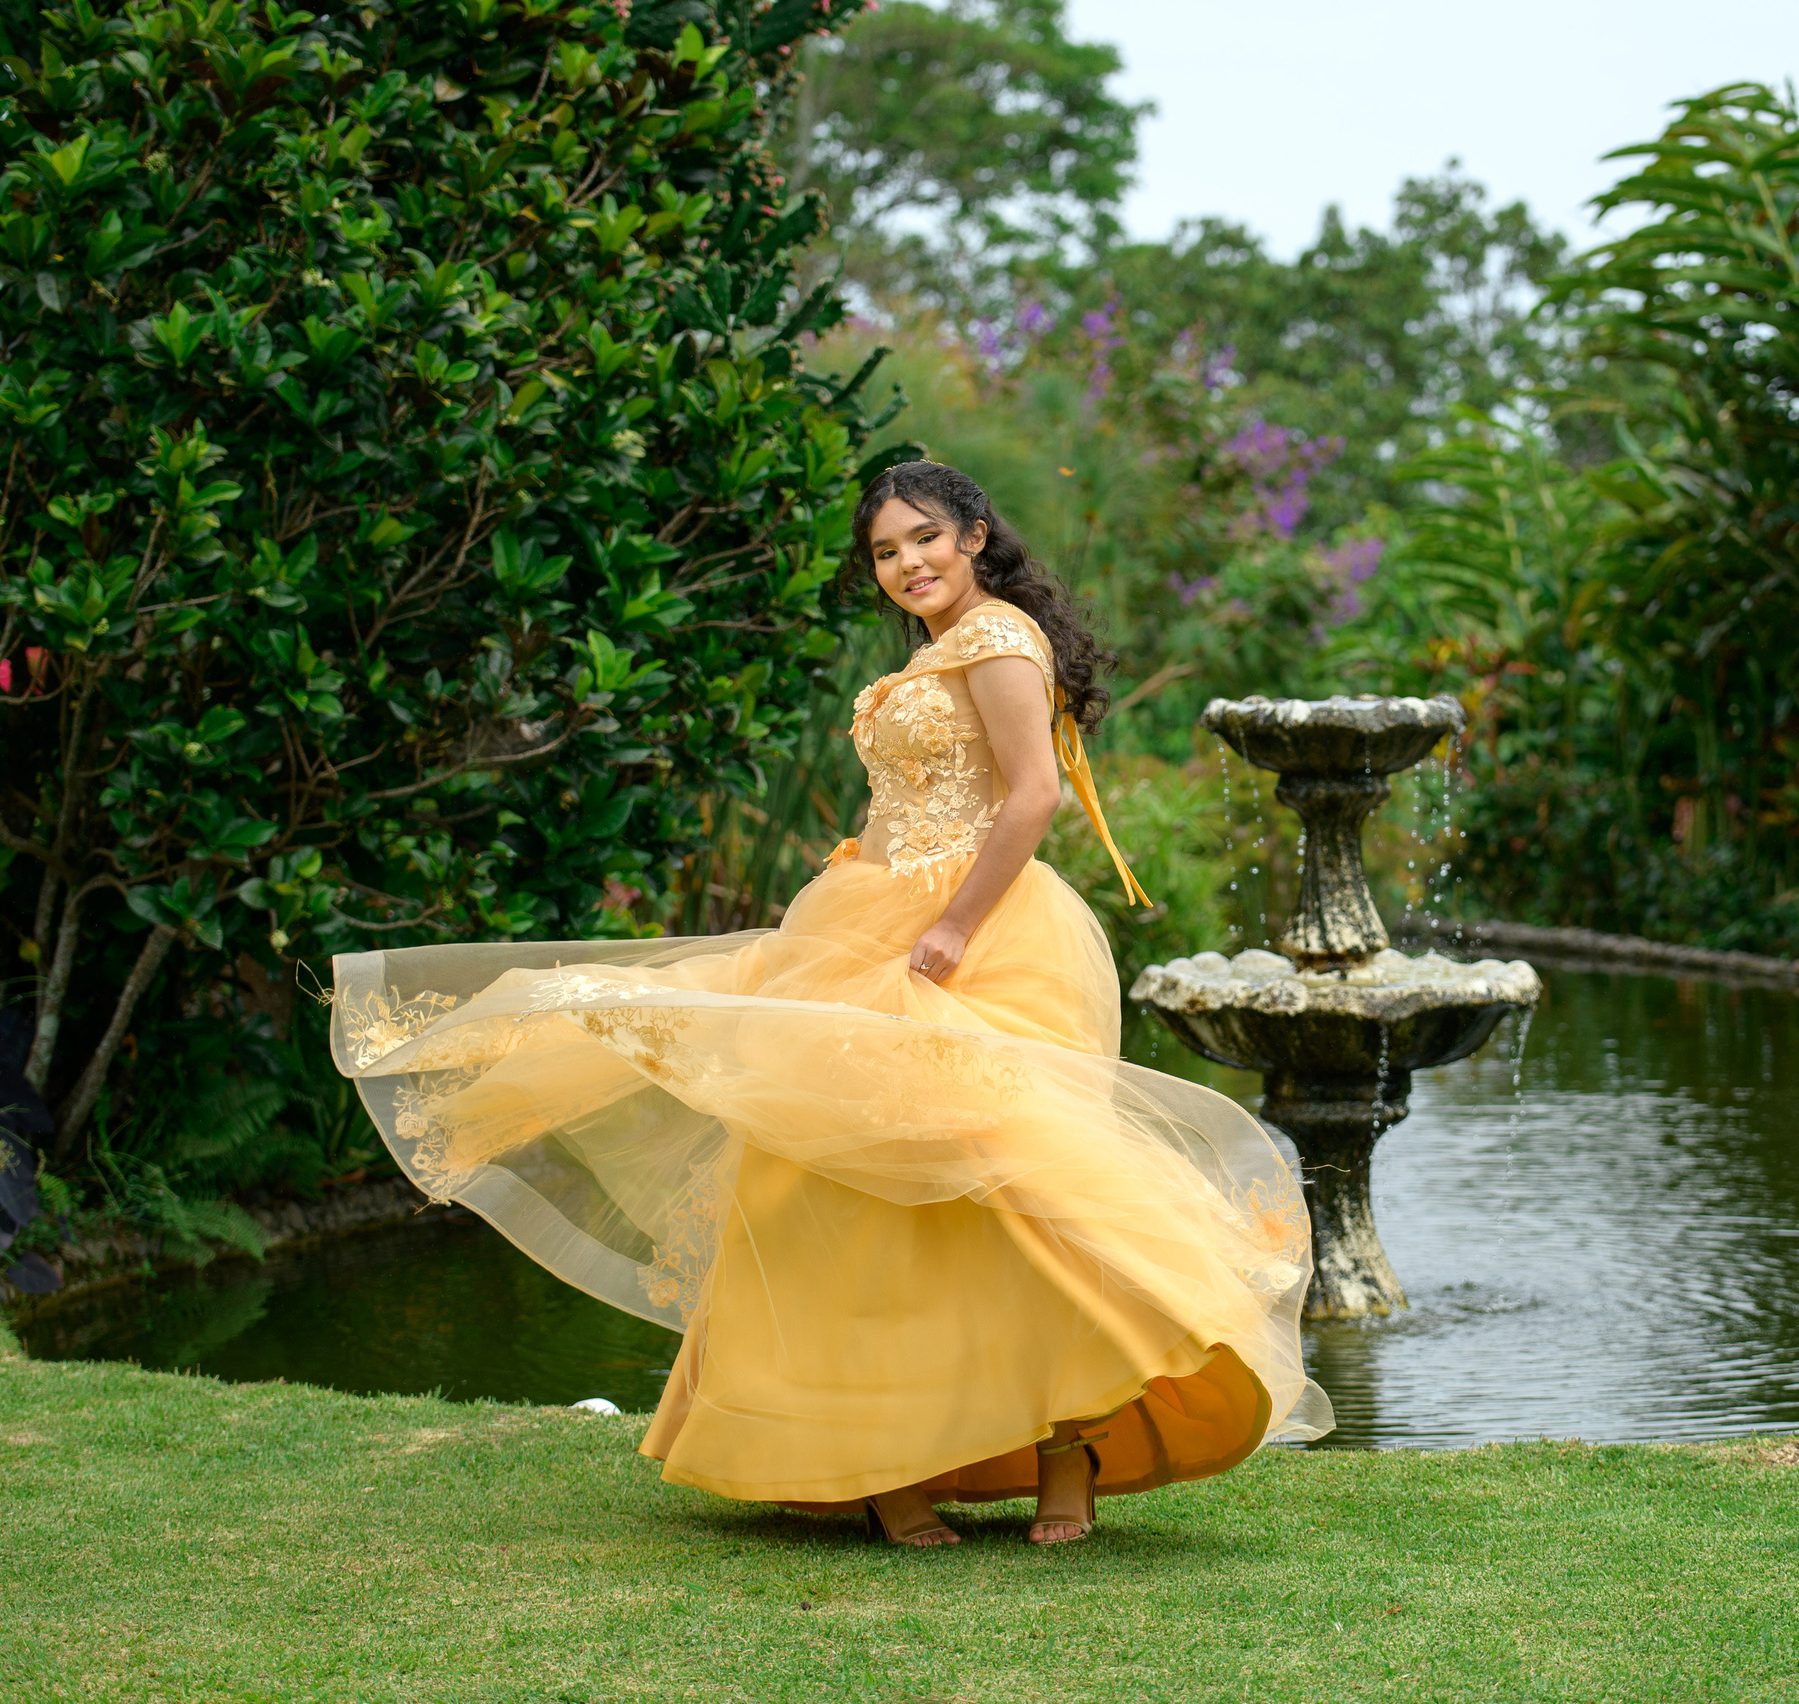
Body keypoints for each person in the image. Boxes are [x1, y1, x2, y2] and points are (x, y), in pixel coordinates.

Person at [330, 461, 1329, 1548]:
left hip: (975, 935)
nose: (907, 564)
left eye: (925, 539)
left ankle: (1065, 1456)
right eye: (886, 552)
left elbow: (1032, 793)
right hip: (867, 919)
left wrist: (948, 923)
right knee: (822, 1195)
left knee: (1011, 1203)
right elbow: (922, 790)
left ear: (977, 536)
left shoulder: (998, 640)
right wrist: (865, 867)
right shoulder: (942, 650)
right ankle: (884, 1468)